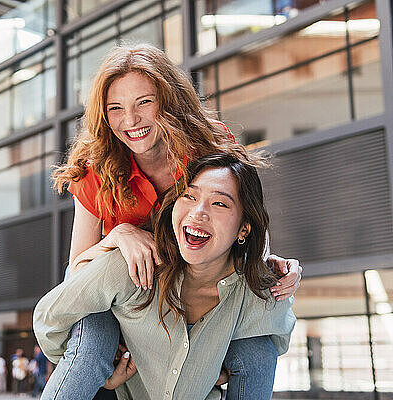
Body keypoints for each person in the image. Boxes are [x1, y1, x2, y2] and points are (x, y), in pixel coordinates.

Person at [47, 43, 302, 400]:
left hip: (186, 288)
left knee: (258, 353)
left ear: (168, 100)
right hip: (119, 287)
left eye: (144, 103)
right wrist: (120, 234)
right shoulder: (94, 168)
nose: (130, 121)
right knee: (90, 352)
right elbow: (78, 273)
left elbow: (242, 208)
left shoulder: (208, 143)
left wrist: (268, 262)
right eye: (115, 108)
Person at [35, 153, 296, 399]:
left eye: (219, 203)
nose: (199, 212)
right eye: (189, 196)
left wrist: (220, 366)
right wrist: (95, 367)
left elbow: (276, 342)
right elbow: (49, 317)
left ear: (244, 229)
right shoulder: (134, 266)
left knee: (260, 350)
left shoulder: (259, 290)